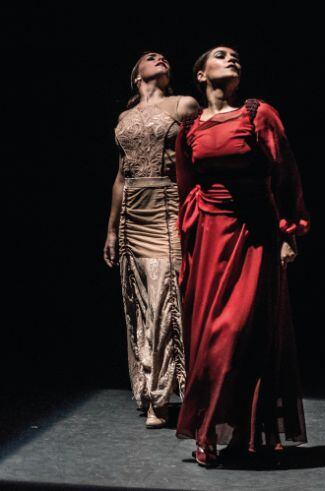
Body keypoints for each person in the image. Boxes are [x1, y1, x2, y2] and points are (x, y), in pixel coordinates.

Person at [175, 46, 310, 467]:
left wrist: (290, 232)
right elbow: (186, 186)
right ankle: (209, 432)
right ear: (201, 74)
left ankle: (245, 433)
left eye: (236, 55)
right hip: (210, 238)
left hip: (255, 235)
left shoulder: (258, 114)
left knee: (241, 332)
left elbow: (286, 176)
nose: (232, 58)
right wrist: (188, 242)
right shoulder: (191, 128)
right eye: (220, 55)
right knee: (209, 336)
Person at [105, 51, 198, 428]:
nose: (159, 58)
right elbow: (121, 177)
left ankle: (167, 396)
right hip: (132, 213)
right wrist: (111, 229)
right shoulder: (125, 118)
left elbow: (200, 157)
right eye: (149, 57)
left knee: (164, 302)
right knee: (141, 306)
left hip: (168, 205)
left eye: (162, 57)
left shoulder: (183, 104)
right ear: (136, 76)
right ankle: (147, 389)